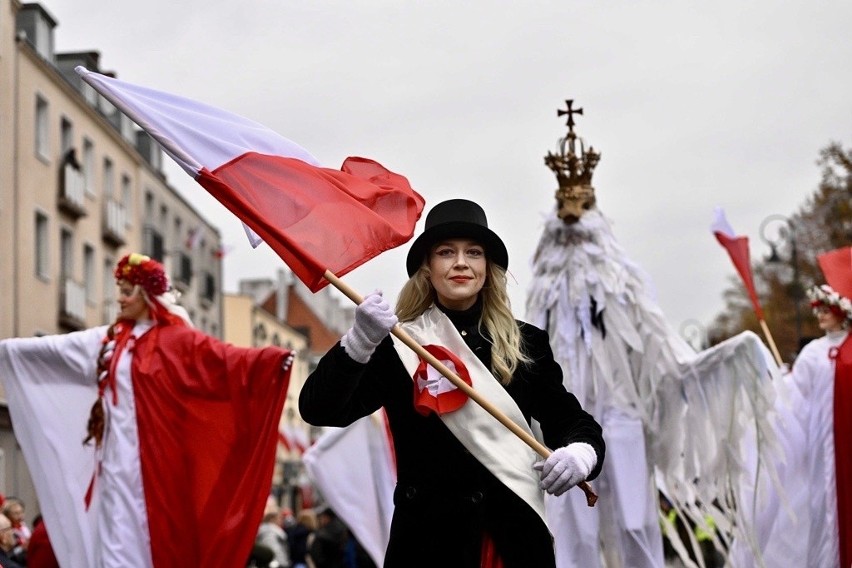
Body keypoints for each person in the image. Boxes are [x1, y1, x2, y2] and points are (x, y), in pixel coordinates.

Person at [299, 199, 605, 567]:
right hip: (427, 546)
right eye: (446, 252)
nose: (461, 262)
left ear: (487, 268)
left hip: (510, 543)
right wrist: (359, 342)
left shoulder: (527, 344)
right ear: (427, 268)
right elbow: (319, 409)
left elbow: (572, 422)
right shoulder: (399, 345)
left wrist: (580, 454)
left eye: (473, 253)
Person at [0, 252, 294, 568]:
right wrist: (5, 349)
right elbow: (53, 350)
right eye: (120, 292)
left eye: (128, 292)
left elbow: (224, 361)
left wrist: (270, 361)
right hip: (115, 465)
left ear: (147, 295)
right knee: (115, 535)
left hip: (158, 465)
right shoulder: (108, 341)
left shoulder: (177, 340)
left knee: (159, 539)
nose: (121, 301)